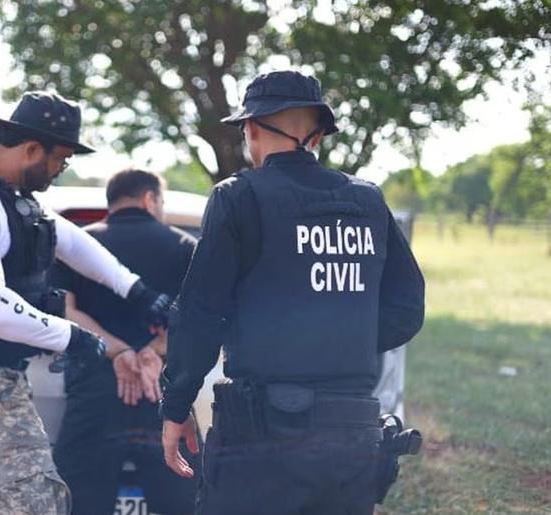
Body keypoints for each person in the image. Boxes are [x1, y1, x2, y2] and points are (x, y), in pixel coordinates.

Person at [159, 70, 426, 515]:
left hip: (260, 435)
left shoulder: (238, 196)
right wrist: (339, 337)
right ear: (318, 135)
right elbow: (407, 308)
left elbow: (200, 313)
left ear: (252, 129)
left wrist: (175, 405)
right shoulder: (369, 201)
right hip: (353, 433)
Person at [0, 91, 171, 515]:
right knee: (37, 505)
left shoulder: (12, 197)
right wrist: (76, 338)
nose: (60, 170)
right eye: (60, 159)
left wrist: (141, 294)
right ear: (32, 149)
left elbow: (72, 242)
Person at [50, 168, 200, 515]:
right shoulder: (183, 246)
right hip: (163, 396)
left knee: (81, 506)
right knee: (184, 504)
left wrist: (117, 350)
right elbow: (197, 319)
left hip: (92, 395)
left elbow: (65, 311)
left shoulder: (77, 245)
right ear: (150, 199)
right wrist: (151, 351)